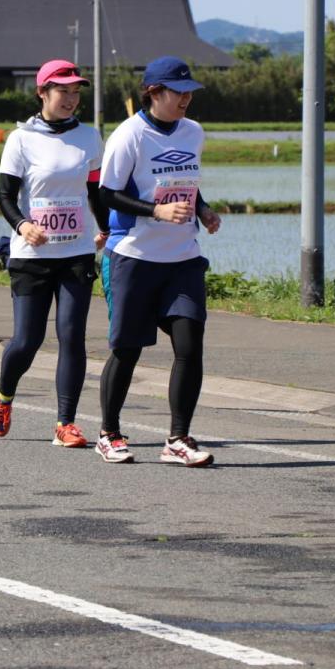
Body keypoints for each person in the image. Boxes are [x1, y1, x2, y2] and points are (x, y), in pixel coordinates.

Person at [95, 56, 222, 466]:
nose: (186, 99)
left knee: (190, 344)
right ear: (154, 92)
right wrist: (155, 211)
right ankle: (109, 433)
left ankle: (178, 439)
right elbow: (107, 194)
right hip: (134, 257)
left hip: (182, 258)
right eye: (177, 91)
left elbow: (187, 183)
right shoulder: (129, 137)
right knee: (128, 349)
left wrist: (202, 210)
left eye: (189, 92)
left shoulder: (193, 132)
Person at [0, 59, 108, 449]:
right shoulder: (21, 139)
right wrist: (23, 225)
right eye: (62, 91)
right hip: (32, 255)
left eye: (76, 92)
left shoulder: (89, 137)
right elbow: (6, 197)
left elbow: (95, 191)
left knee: (72, 336)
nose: (71, 99)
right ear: (42, 92)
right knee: (27, 340)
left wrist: (105, 227)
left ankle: (65, 422)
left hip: (75, 252)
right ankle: (5, 394)